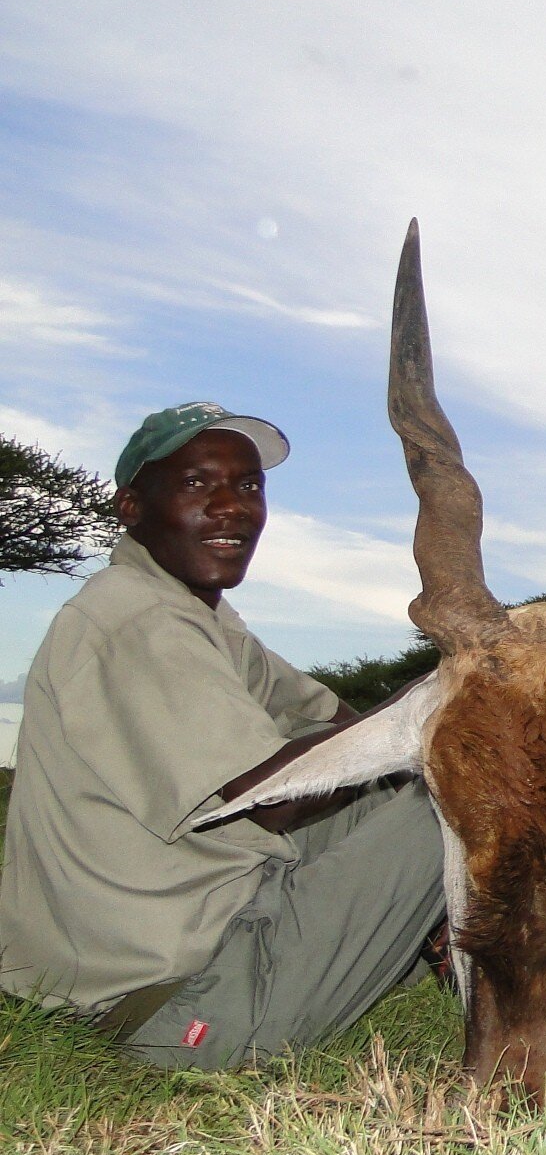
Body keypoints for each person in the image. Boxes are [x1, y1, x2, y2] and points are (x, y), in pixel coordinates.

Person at [0, 401, 445, 1065]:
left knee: (394, 788)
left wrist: (409, 726)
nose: (233, 505)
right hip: (173, 1007)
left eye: (248, 485)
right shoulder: (134, 619)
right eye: (196, 483)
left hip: (184, 949)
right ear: (131, 507)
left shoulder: (203, 618)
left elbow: (341, 731)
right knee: (459, 804)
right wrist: (448, 687)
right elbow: (271, 800)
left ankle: (450, 948)